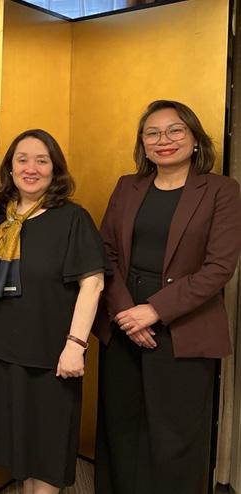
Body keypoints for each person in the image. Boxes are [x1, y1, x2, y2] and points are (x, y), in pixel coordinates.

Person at [94, 100, 241, 494]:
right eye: (153, 133)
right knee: (121, 427)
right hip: (123, 318)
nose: (164, 140)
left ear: (195, 139)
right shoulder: (127, 185)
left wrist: (155, 310)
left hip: (184, 324)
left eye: (175, 130)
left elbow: (219, 268)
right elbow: (105, 252)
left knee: (175, 435)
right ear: (143, 144)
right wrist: (127, 312)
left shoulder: (221, 190)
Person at [0, 129, 106, 493]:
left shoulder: (72, 219)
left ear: (55, 169)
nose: (30, 168)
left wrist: (75, 344)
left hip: (51, 354)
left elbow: (93, 284)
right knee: (20, 450)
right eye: (22, 160)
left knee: (47, 449)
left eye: (41, 160)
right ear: (10, 168)